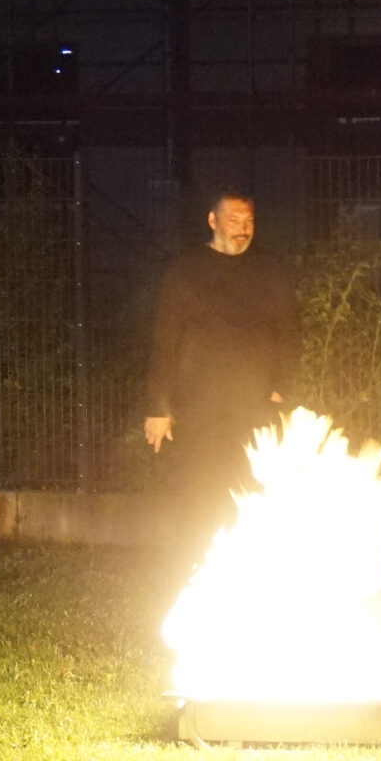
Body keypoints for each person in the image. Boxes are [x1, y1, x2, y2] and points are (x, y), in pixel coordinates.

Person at [144, 190, 298, 558]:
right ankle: (192, 567)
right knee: (200, 492)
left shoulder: (270, 272)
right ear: (213, 221)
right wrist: (157, 408)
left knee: (253, 489)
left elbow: (291, 334)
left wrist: (281, 386)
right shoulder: (186, 270)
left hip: (255, 405)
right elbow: (165, 340)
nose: (243, 229)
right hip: (201, 406)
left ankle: (250, 565)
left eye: (249, 222)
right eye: (234, 220)